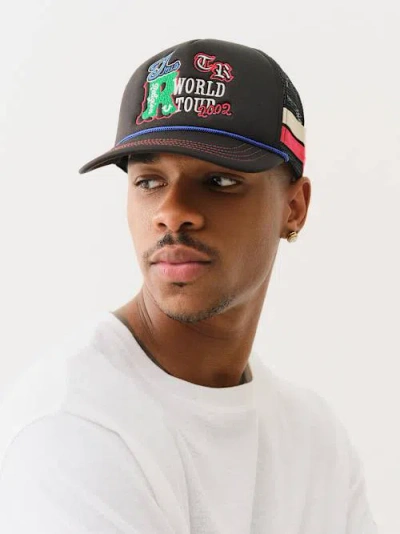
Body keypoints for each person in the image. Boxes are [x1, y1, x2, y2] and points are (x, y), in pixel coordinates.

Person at [0, 38, 377, 533]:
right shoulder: (71, 427)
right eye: (149, 181)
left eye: (219, 181)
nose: (172, 212)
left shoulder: (316, 441)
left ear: (294, 207)